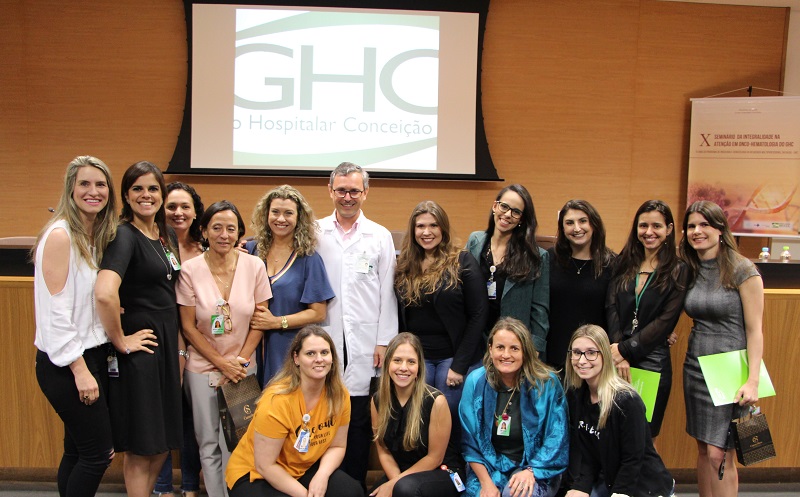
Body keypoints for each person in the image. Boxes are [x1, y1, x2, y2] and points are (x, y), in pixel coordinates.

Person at [33, 156, 119, 497]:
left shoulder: (94, 235)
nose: (93, 191)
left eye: (100, 184)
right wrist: (80, 371)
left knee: (78, 451)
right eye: (84, 183)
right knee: (98, 455)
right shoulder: (61, 236)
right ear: (70, 189)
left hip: (91, 355)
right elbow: (55, 313)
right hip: (67, 363)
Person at [95, 161, 182, 497]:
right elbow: (105, 293)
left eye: (153, 189)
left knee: (161, 442)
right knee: (141, 445)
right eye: (138, 189)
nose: (146, 195)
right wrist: (120, 340)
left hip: (164, 347)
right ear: (126, 195)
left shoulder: (165, 235)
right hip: (141, 351)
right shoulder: (124, 236)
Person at [176, 200, 272, 497]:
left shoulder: (254, 266)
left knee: (239, 441)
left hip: (243, 369)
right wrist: (221, 362)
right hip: (202, 369)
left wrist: (239, 361)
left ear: (239, 232)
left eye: (231, 228)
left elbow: (260, 320)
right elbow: (188, 327)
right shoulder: (190, 270)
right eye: (216, 228)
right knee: (208, 444)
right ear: (204, 231)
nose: (224, 235)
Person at [316, 162, 399, 488]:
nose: (347, 197)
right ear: (330, 191)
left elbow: (387, 293)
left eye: (354, 191)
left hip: (366, 341)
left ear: (365, 192)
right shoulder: (315, 232)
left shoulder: (378, 236)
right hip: (324, 334)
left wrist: (384, 341)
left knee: (359, 420)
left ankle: (353, 486)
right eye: (341, 190)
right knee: (322, 415)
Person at [680, 200, 764, 497]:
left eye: (704, 224)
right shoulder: (690, 267)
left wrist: (753, 380)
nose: (697, 231)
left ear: (720, 229)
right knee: (704, 448)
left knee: (721, 453)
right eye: (691, 226)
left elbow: (755, 330)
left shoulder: (742, 269)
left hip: (730, 371)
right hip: (695, 367)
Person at [224, 325, 363, 497]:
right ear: (296, 358)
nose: (319, 359)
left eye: (324, 352)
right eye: (310, 353)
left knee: (351, 491)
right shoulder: (277, 401)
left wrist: (322, 475)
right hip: (255, 473)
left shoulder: (340, 395)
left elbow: (337, 446)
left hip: (301, 468)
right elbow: (265, 466)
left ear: (332, 358)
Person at [395, 200, 487, 416]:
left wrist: (459, 365)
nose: (426, 232)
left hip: (453, 355)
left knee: (448, 411)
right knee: (418, 413)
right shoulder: (405, 265)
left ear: (443, 228)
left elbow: (479, 313)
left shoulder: (462, 261)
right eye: (420, 226)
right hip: (418, 356)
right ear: (413, 231)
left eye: (433, 225)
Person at [605, 199, 687, 439]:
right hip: (615, 357)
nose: (649, 232)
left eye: (656, 226)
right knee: (613, 432)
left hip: (652, 360)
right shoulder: (623, 262)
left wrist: (626, 350)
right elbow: (611, 306)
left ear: (669, 229)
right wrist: (618, 349)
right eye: (643, 226)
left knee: (644, 437)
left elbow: (666, 321)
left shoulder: (679, 269)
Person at [459, 317, 568, 497]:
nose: (506, 355)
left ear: (525, 351)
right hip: (488, 467)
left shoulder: (546, 383)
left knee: (516, 494)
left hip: (537, 468)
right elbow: (469, 443)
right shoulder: (475, 381)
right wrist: (486, 484)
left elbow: (557, 437)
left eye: (514, 348)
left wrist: (532, 471)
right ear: (490, 349)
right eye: (500, 347)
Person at [564, 324, 674, 497]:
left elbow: (633, 459)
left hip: (645, 487)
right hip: (611, 481)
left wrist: (620, 493)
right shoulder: (577, 395)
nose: (582, 360)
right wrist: (581, 487)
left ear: (605, 356)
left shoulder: (627, 401)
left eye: (591, 353)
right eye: (577, 352)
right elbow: (589, 456)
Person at [245, 185, 335, 385]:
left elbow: (318, 313)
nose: (281, 219)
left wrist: (277, 322)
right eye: (275, 212)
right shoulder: (250, 250)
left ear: (299, 218)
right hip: (248, 348)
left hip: (286, 349)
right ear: (266, 215)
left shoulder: (309, 259)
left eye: (288, 213)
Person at [156, 181, 205, 497]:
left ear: (196, 212)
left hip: (199, 343)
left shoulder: (208, 248)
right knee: (160, 418)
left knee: (192, 419)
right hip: (160, 341)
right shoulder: (153, 244)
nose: (178, 212)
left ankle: (189, 485)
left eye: (185, 206)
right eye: (171, 206)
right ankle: (162, 486)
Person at [370, 333, 464, 497]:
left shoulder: (436, 401)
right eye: (397, 360)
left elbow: (435, 458)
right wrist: (394, 482)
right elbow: (383, 450)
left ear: (419, 366)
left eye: (411, 362)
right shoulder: (378, 400)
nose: (403, 367)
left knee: (405, 489)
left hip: (445, 472)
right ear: (388, 363)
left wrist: (395, 484)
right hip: (403, 475)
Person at [465, 184, 549, 359]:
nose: (508, 214)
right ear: (495, 206)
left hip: (514, 347)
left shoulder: (537, 257)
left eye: (516, 212)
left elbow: (540, 308)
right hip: (476, 342)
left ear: (522, 219)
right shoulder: (475, 241)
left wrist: (535, 348)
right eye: (504, 206)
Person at [547, 200, 615, 373]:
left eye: (583, 221)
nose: (577, 228)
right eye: (569, 223)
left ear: (594, 224)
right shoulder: (549, 259)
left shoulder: (612, 264)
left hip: (594, 359)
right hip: (554, 356)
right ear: (562, 228)